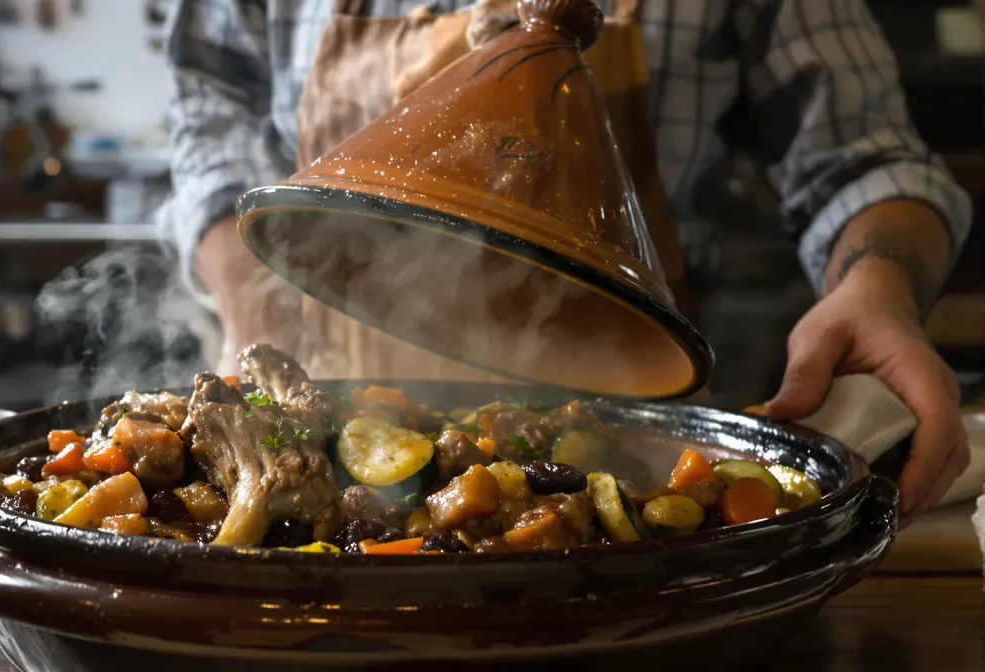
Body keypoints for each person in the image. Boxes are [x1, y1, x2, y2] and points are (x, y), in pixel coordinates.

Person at [159, 0, 973, 528]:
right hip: (317, 400)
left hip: (635, 439)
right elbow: (211, 113)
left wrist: (879, 288)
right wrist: (257, 323)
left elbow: (861, 161)